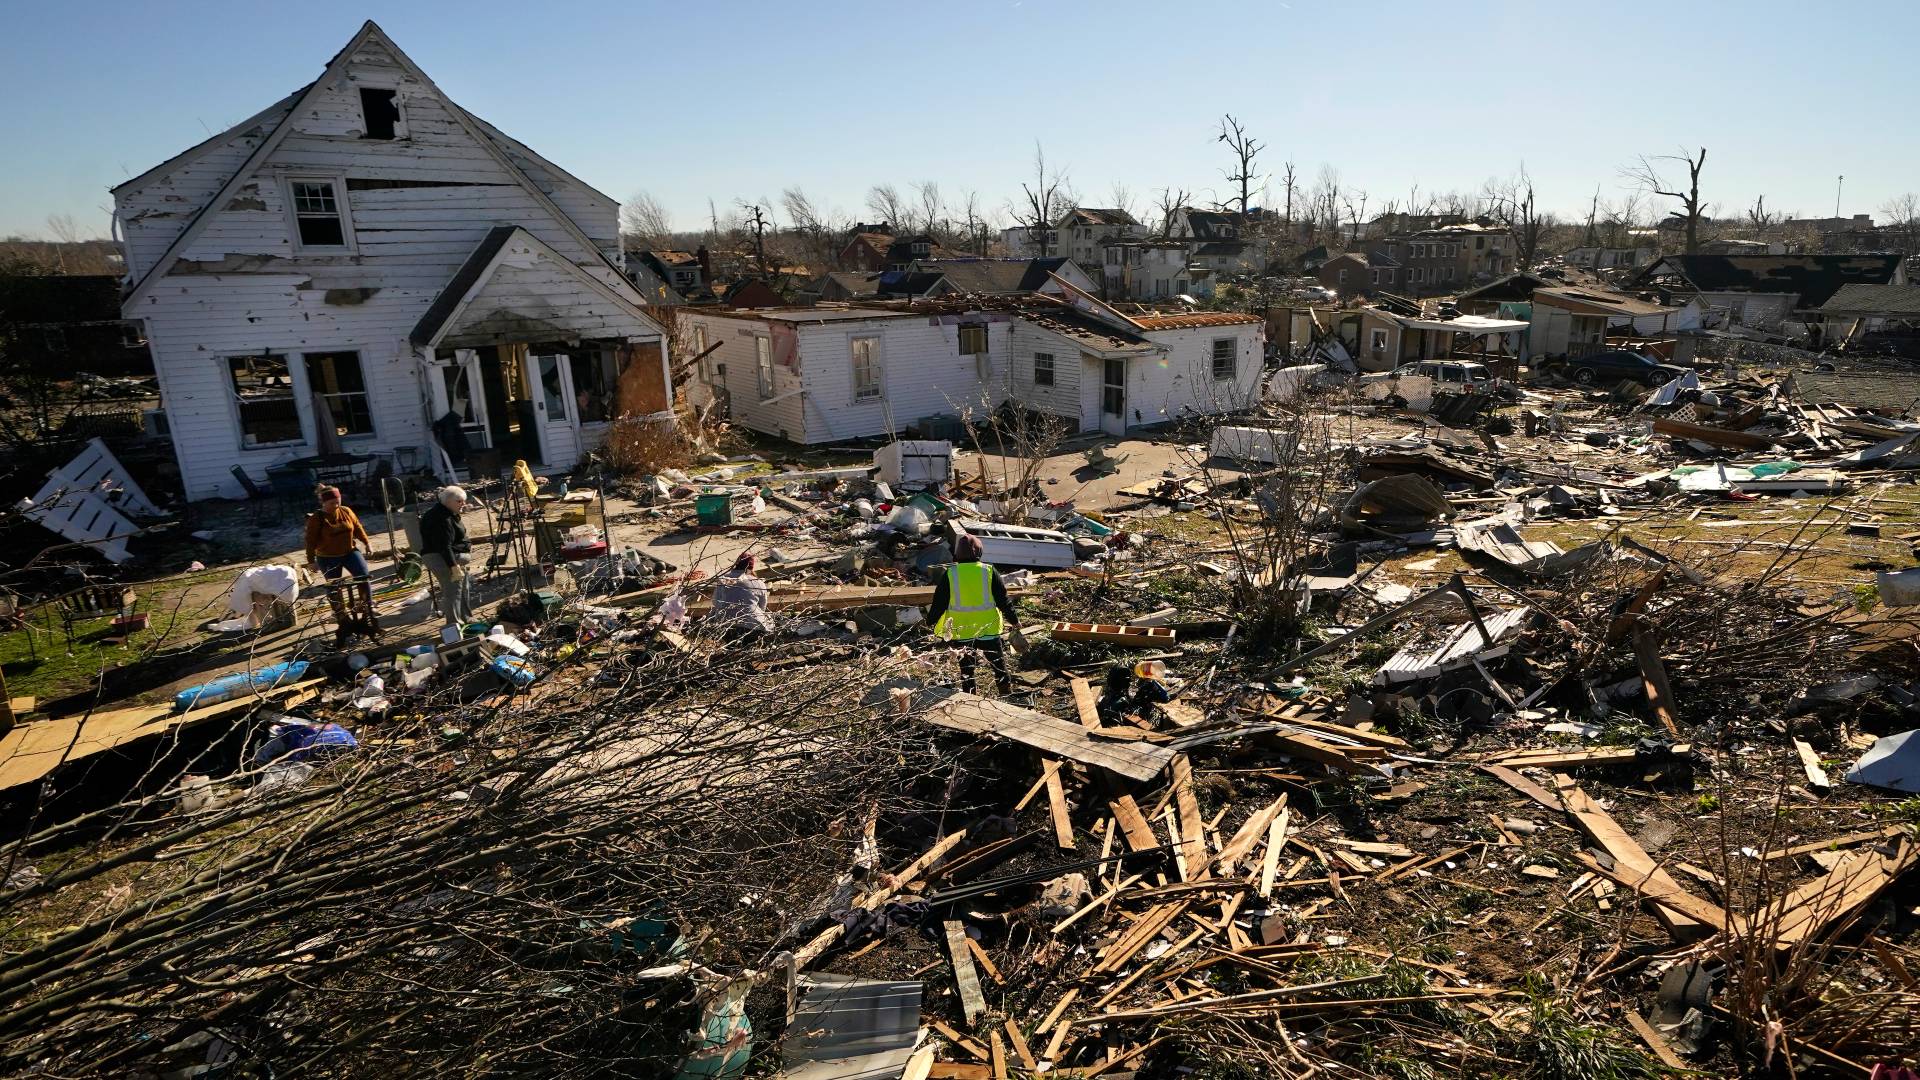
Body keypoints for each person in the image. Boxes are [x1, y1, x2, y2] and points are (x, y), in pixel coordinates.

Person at [925, 533, 1018, 695]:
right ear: (979, 552)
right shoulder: (989, 571)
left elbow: (939, 601)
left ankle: (970, 696)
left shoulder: (950, 574)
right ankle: (1006, 692)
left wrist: (930, 620)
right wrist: (1014, 620)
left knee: (967, 669)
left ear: (958, 554)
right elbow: (1003, 599)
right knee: (998, 664)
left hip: (962, 632)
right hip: (989, 629)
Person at [304, 485, 380, 646]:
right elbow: (310, 541)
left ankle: (367, 607)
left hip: (349, 552)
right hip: (327, 557)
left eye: (337, 502)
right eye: (332, 503)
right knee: (333, 586)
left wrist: (367, 543)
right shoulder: (317, 518)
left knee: (363, 576)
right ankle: (341, 616)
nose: (336, 506)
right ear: (324, 503)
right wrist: (311, 561)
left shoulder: (346, 511)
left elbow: (357, 527)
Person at [419, 485, 473, 630]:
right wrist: (454, 567)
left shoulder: (448, 513)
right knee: (453, 590)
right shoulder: (441, 518)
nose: (463, 504)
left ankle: (466, 618)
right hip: (442, 559)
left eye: (464, 501)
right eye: (460, 501)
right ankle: (454, 625)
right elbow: (444, 546)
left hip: (450, 557)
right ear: (448, 501)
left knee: (463, 588)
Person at [709, 553, 774, 638]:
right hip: (753, 628)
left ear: (737, 564)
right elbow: (762, 608)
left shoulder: (723, 579)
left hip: (725, 625)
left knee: (713, 612)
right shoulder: (759, 583)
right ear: (750, 567)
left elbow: (715, 602)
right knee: (769, 619)